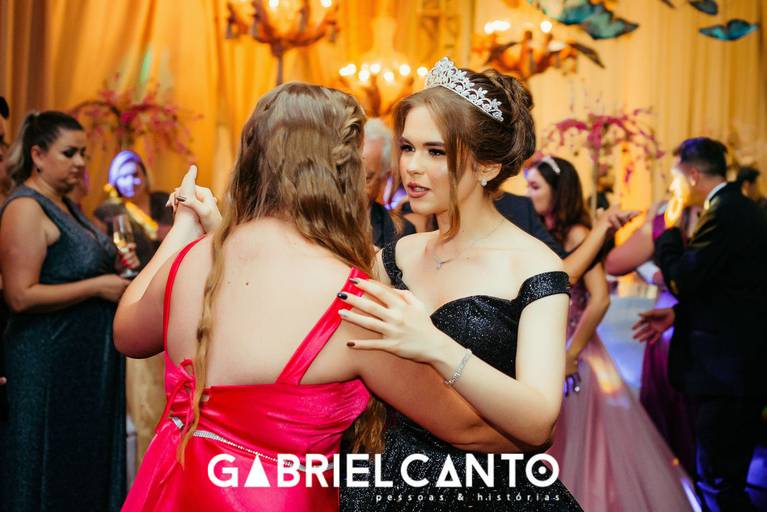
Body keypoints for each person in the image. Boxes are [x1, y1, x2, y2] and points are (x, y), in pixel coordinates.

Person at [114, 82, 529, 511]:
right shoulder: (352, 301)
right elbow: (467, 429)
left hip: (167, 488)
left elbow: (127, 333)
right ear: (342, 173)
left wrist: (184, 226)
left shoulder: (193, 259)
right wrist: (531, 433)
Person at [338, 58, 582, 510]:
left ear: (487, 165)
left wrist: (436, 346)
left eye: (436, 152)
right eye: (408, 147)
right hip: (384, 485)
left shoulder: (534, 267)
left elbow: (539, 422)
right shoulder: (394, 256)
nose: (412, 167)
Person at [526, 155, 697, 511]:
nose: (528, 194)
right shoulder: (542, 230)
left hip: (575, 348)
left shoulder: (577, 234)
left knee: (581, 440)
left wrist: (572, 353)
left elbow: (600, 298)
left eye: (535, 187)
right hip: (547, 347)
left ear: (557, 190)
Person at [0, 111, 137, 511]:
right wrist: (98, 286)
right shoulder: (25, 207)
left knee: (74, 475)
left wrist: (115, 266)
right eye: (69, 153)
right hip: (44, 366)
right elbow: (20, 295)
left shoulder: (66, 205)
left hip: (77, 370)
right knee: (43, 474)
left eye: (83, 154)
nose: (80, 162)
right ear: (38, 155)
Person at [634, 137, 767, 511]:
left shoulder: (723, 214)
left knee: (716, 481)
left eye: (675, 176)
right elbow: (734, 291)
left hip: (726, 373)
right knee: (726, 478)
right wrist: (678, 314)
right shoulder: (742, 208)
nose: (673, 186)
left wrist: (668, 230)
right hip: (741, 367)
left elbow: (682, 278)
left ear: (692, 174)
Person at [605, 199, 699, 475]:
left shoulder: (667, 216)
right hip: (702, 324)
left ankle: (671, 479)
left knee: (670, 413)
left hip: (671, 321)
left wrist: (653, 272)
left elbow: (614, 262)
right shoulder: (725, 213)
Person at [94, 149, 174, 267]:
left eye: (135, 175)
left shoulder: (164, 200)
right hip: (136, 274)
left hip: (171, 266)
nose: (130, 182)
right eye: (123, 177)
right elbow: (100, 254)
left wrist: (173, 233)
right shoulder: (107, 211)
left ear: (145, 176)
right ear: (115, 181)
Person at [363, 118, 415, 247]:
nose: (352, 186)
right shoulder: (318, 222)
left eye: (365, 179)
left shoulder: (399, 234)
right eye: (346, 174)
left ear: (384, 179)